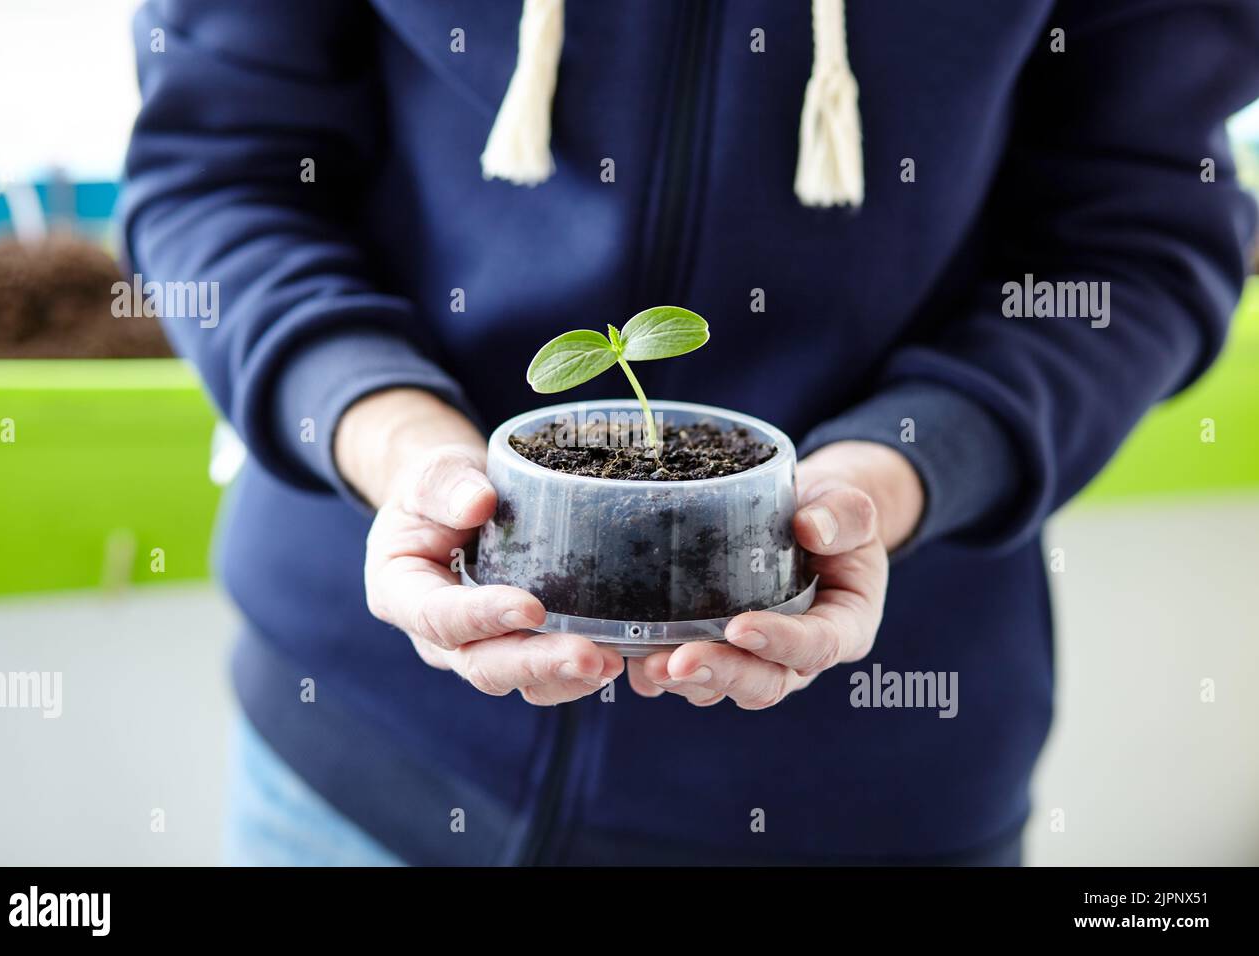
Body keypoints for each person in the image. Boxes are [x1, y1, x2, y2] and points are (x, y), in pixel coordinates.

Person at [122, 0, 1259, 866]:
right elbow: (220, 171)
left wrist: (905, 468)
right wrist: (394, 438)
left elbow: (1136, 234)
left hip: (873, 790)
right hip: (357, 763)